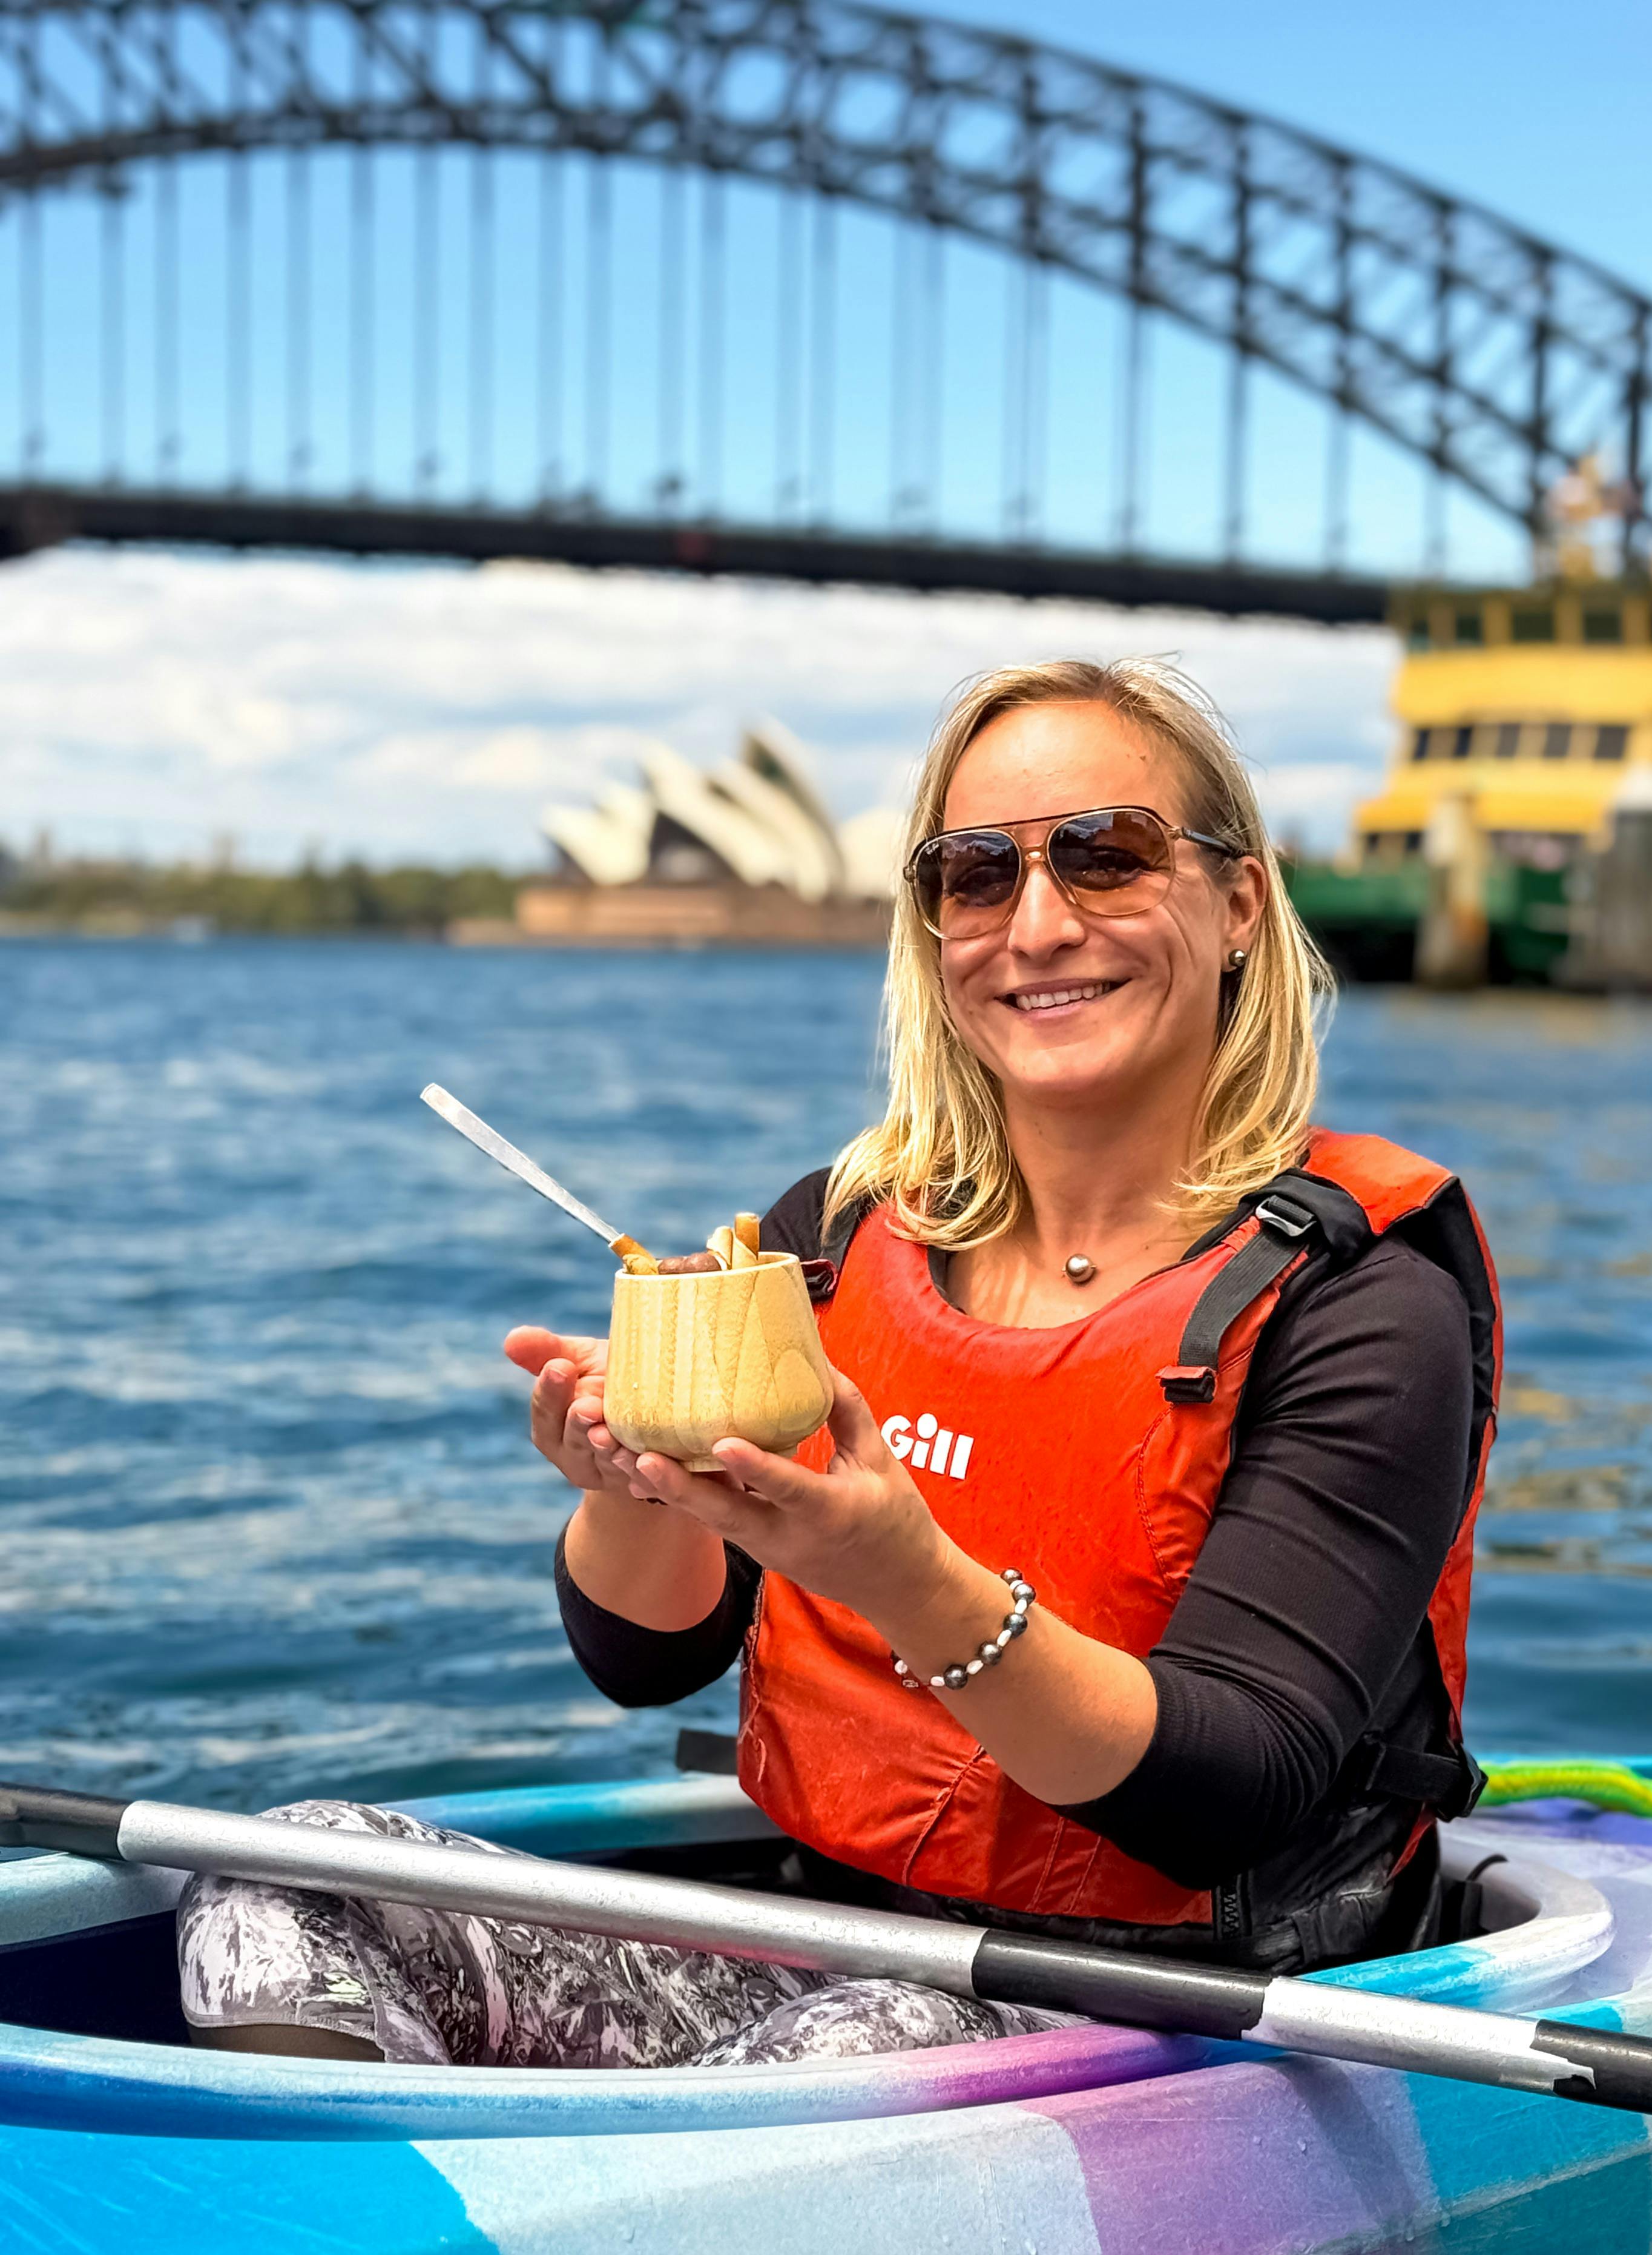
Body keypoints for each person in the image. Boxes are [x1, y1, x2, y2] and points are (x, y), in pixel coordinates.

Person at [177, 658, 1498, 2069]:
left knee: (857, 2046)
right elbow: (647, 1652)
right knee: (284, 1878)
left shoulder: (1360, 1300)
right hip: (833, 1946)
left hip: (1172, 2018)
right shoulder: (834, 1235)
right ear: (931, 931)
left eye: (1105, 858)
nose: (1039, 924)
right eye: (975, 876)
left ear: (1238, 903)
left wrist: (903, 1576)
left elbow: (1226, 1788)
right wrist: (640, 1477)